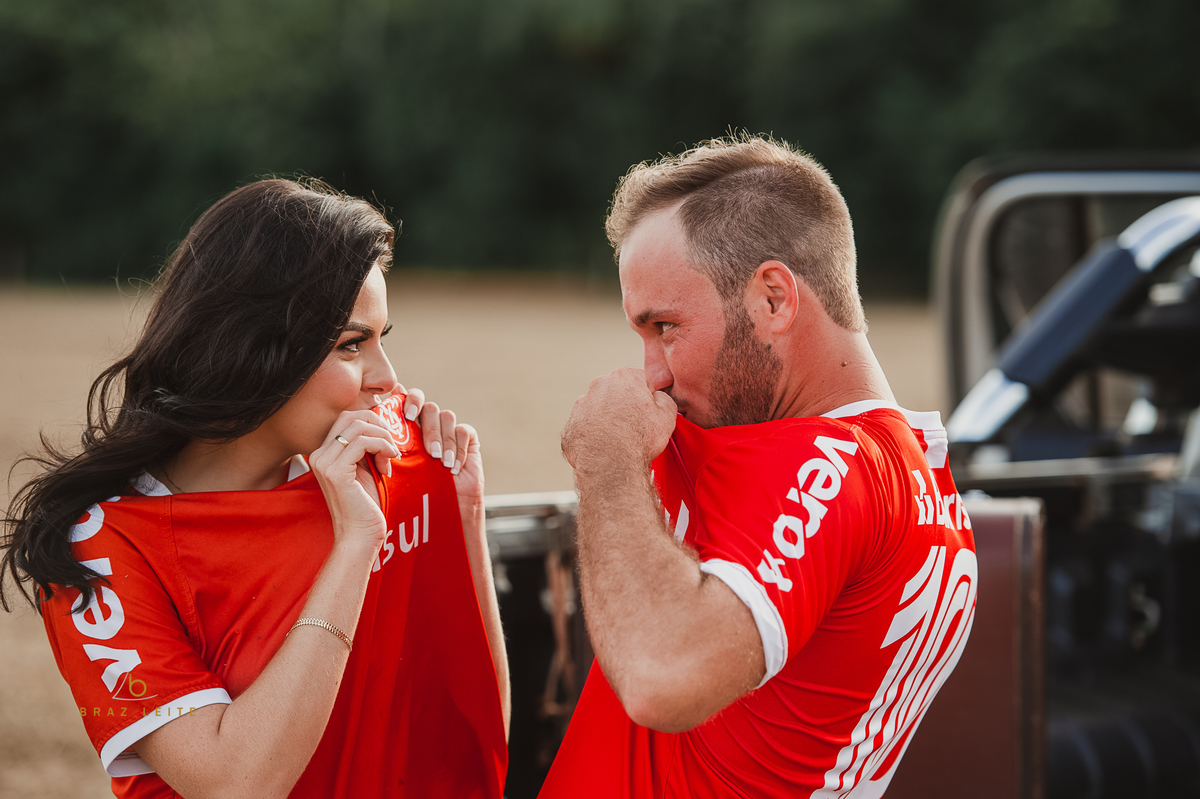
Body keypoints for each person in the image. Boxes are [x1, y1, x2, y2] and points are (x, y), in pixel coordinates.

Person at [0, 179, 509, 798]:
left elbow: (468, 727)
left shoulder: (381, 473)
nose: (387, 377)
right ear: (251, 349)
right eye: (351, 345)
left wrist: (462, 510)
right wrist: (354, 548)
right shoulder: (102, 547)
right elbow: (235, 785)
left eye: (382, 339)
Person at [541, 135, 977, 798]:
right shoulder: (918, 473)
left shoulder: (828, 465)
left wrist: (607, 458)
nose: (652, 373)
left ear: (774, 299)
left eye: (665, 326)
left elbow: (662, 674)